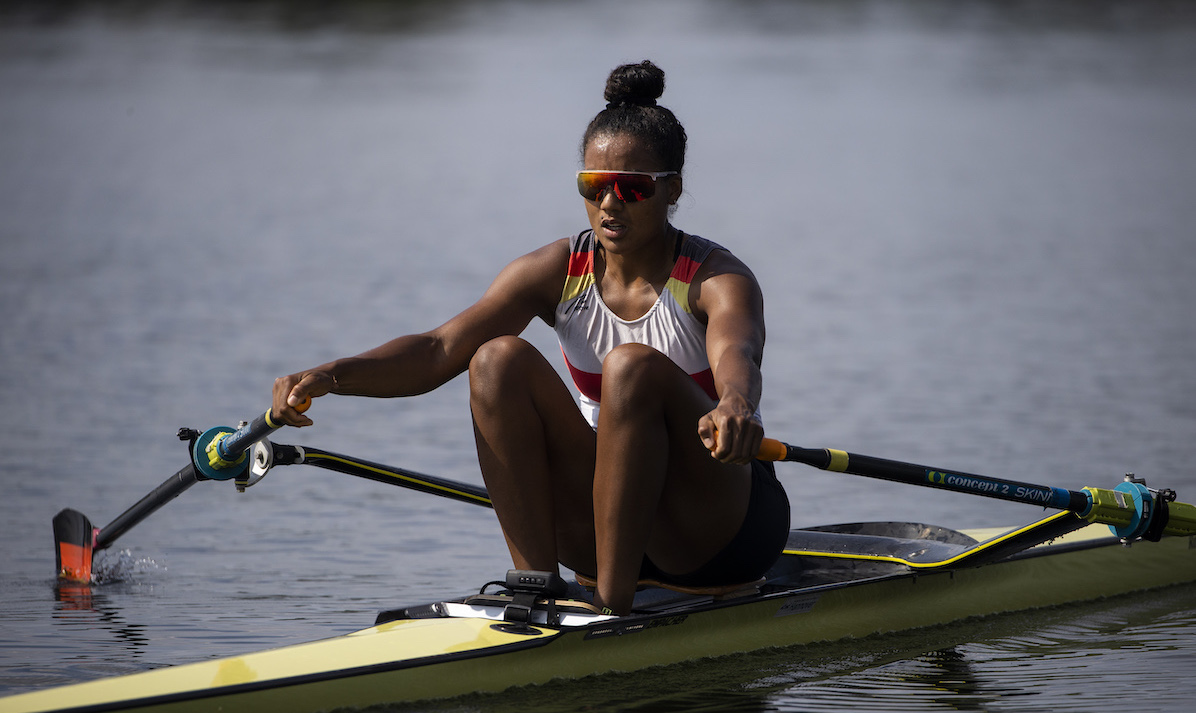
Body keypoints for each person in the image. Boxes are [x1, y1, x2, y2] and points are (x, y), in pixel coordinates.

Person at [272, 60, 790, 615]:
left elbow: (738, 353)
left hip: (716, 528)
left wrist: (736, 404)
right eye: (593, 186)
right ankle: (537, 585)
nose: (610, 203)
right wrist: (331, 375)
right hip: (610, 523)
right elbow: (437, 350)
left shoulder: (716, 279)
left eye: (632, 188)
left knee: (630, 367)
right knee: (494, 360)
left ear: (672, 191)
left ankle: (609, 611)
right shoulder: (557, 270)